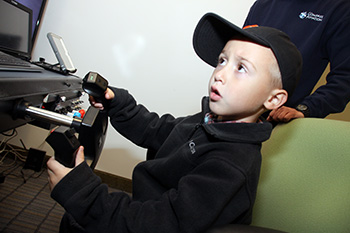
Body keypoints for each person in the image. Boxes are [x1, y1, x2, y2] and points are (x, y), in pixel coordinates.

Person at [47, 13, 302, 233]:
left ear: (274, 99)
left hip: (158, 222)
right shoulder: (210, 121)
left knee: (77, 223)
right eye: (222, 61)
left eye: (241, 68)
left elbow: (161, 224)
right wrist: (119, 104)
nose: (220, 74)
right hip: (152, 207)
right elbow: (156, 130)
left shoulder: (231, 165)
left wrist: (83, 194)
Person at [244, 0, 350, 122]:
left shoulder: (340, 9)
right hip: (230, 110)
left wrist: (306, 108)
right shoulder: (263, 4)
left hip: (272, 123)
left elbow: (345, 78)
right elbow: (237, 54)